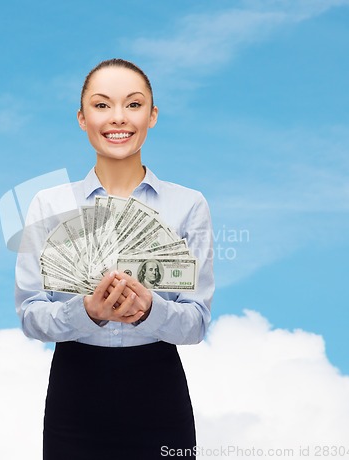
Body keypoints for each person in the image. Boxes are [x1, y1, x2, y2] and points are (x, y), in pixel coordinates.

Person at [15, 58, 214, 460]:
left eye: (134, 104)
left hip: (160, 395)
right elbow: (30, 314)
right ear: (82, 118)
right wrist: (85, 311)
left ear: (153, 115)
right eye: (102, 105)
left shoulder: (189, 204)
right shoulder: (49, 203)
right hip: (75, 393)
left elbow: (196, 324)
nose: (118, 118)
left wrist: (148, 311)